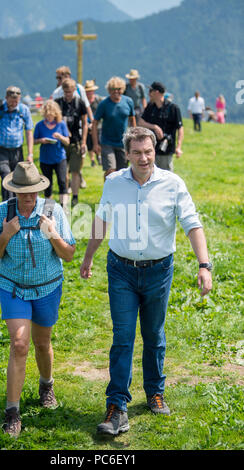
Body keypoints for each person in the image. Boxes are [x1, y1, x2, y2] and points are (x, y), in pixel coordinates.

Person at [80, 127, 212, 436]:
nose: (144, 157)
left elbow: (193, 224)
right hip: (121, 270)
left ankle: (155, 392)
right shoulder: (113, 183)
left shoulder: (172, 183)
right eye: (137, 152)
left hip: (158, 271)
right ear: (126, 154)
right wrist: (88, 258)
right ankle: (117, 406)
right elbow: (101, 220)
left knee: (154, 334)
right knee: (123, 337)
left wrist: (204, 265)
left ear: (155, 151)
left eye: (149, 151)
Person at [0, 161, 76, 438]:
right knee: (20, 344)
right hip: (13, 287)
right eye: (23, 191)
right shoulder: (1, 213)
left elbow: (69, 254)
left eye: (34, 191)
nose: (29, 197)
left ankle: (46, 384)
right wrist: (6, 234)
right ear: (14, 191)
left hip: (48, 287)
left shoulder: (53, 211)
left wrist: (52, 234)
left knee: (41, 342)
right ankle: (12, 411)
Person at [0, 86, 34, 201]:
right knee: (6, 176)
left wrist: (30, 154)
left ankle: (16, 205)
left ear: (19, 99)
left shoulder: (24, 110)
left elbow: (29, 132)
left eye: (16, 102)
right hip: (1, 150)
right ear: (6, 98)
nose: (13, 104)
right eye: (11, 101)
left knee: (17, 178)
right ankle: (8, 206)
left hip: (17, 150)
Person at [52, 66, 90, 190]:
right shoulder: (57, 96)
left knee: (75, 166)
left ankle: (74, 189)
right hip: (62, 137)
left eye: (60, 77)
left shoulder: (79, 92)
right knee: (64, 169)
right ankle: (66, 189)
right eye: (57, 77)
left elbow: (85, 109)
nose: (58, 79)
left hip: (76, 136)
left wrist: (91, 119)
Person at [92, 76, 136, 180]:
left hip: (123, 143)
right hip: (107, 142)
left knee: (122, 172)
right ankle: (108, 193)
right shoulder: (104, 104)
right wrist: (95, 144)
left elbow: (132, 119)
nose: (116, 92)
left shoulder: (128, 101)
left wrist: (134, 137)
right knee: (110, 170)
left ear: (123, 89)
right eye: (113, 90)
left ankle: (119, 194)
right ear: (109, 90)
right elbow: (95, 123)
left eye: (119, 89)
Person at [55, 78, 88, 207]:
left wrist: (84, 141)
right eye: (66, 92)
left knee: (75, 170)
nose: (68, 94)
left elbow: (85, 123)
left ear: (75, 90)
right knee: (63, 171)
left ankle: (75, 197)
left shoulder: (80, 103)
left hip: (76, 141)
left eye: (70, 91)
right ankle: (65, 194)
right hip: (61, 142)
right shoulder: (58, 103)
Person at [140, 81, 183, 172]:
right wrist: (154, 127)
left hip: (166, 149)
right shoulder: (150, 107)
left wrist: (178, 147)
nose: (149, 94)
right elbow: (141, 122)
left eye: (150, 91)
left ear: (156, 92)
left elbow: (180, 128)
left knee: (166, 176)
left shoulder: (173, 108)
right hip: (150, 148)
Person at [34, 100, 70, 209]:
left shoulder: (61, 124)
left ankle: (64, 207)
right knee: (47, 184)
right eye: (47, 115)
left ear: (56, 114)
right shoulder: (40, 125)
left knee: (62, 181)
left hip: (59, 158)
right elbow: (34, 141)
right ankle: (48, 209)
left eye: (51, 115)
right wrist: (41, 140)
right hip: (45, 159)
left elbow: (67, 141)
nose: (49, 117)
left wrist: (60, 137)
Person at [84, 79, 103, 167]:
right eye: (87, 92)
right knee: (89, 143)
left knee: (99, 142)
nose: (89, 93)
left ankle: (98, 156)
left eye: (90, 91)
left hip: (98, 125)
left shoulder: (99, 100)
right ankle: (92, 160)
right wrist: (88, 125)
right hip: (87, 125)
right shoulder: (83, 101)